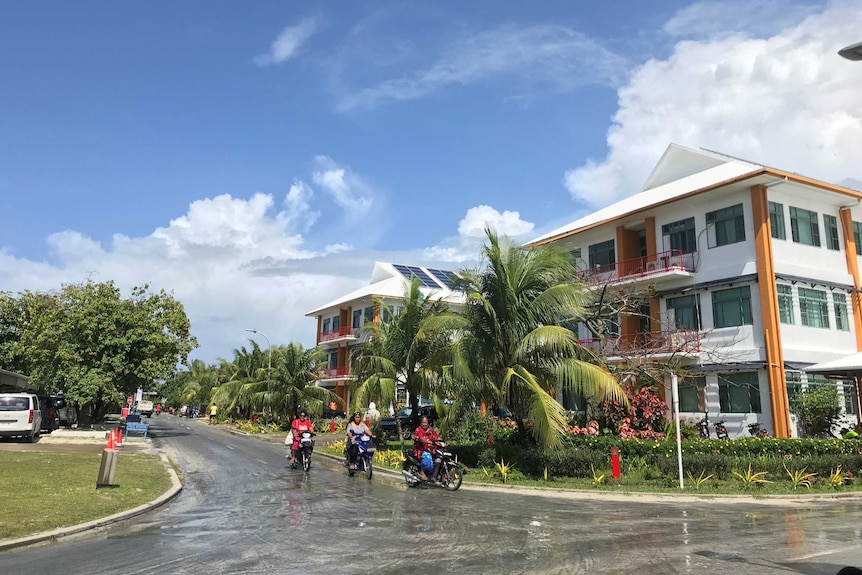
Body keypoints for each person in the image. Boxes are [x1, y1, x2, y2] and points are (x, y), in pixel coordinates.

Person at [413, 416, 440, 482]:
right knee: (426, 455)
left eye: (426, 423)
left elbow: (436, 436)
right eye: (423, 422)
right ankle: (422, 472)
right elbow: (421, 438)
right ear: (421, 423)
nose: (424, 424)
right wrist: (428, 442)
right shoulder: (418, 430)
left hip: (431, 449)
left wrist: (443, 442)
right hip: (420, 450)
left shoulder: (430, 429)